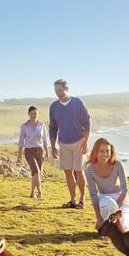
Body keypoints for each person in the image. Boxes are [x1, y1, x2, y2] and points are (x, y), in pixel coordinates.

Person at [49, 79, 91, 209]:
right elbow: (53, 127)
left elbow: (87, 123)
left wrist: (85, 143)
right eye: (56, 91)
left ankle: (82, 200)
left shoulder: (78, 103)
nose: (58, 93)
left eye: (60, 90)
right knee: (68, 172)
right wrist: (53, 146)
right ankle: (73, 200)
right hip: (63, 144)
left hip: (79, 142)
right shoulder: (54, 106)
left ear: (67, 89)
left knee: (79, 171)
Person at [85, 138, 129, 231]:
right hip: (104, 199)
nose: (105, 154)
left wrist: (117, 209)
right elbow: (93, 195)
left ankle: (126, 217)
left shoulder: (118, 164)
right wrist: (98, 218)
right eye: (101, 151)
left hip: (121, 198)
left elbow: (125, 189)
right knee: (110, 205)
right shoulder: (89, 170)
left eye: (107, 151)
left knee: (124, 230)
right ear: (95, 152)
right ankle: (107, 221)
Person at [17, 106, 50, 198]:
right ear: (28, 114)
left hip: (40, 151)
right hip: (29, 151)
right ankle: (40, 193)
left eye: (35, 113)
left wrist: (47, 152)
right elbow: (21, 141)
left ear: (37, 114)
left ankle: (32, 193)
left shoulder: (42, 125)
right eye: (32, 113)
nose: (34, 115)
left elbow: (45, 140)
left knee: (36, 174)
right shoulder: (24, 126)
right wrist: (19, 154)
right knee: (36, 172)